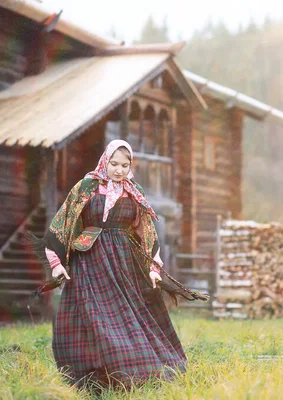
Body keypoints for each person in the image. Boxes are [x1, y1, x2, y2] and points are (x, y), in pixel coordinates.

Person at [29, 140, 207, 389]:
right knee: (93, 314)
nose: (119, 170)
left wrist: (154, 269)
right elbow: (64, 221)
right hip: (89, 261)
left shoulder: (134, 191)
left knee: (127, 316)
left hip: (124, 265)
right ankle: (94, 375)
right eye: (114, 164)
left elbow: (146, 231)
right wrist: (57, 263)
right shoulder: (86, 187)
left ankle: (130, 369)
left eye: (125, 165)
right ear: (105, 161)